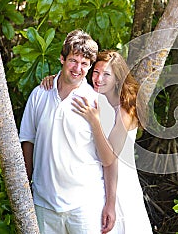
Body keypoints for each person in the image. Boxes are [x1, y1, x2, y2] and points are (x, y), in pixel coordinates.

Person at [41, 50, 153, 233]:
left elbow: (110, 156)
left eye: (106, 74)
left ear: (117, 79)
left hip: (120, 186)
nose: (98, 79)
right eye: (96, 72)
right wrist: (55, 79)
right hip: (99, 183)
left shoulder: (125, 111)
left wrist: (94, 121)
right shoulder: (96, 99)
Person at [19, 30, 117, 234]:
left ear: (90, 67)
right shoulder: (40, 94)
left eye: (84, 64)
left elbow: (109, 160)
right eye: (73, 60)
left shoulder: (97, 103)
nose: (77, 68)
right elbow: (27, 142)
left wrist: (110, 204)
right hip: (44, 202)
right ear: (62, 58)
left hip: (85, 205)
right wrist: (25, 189)